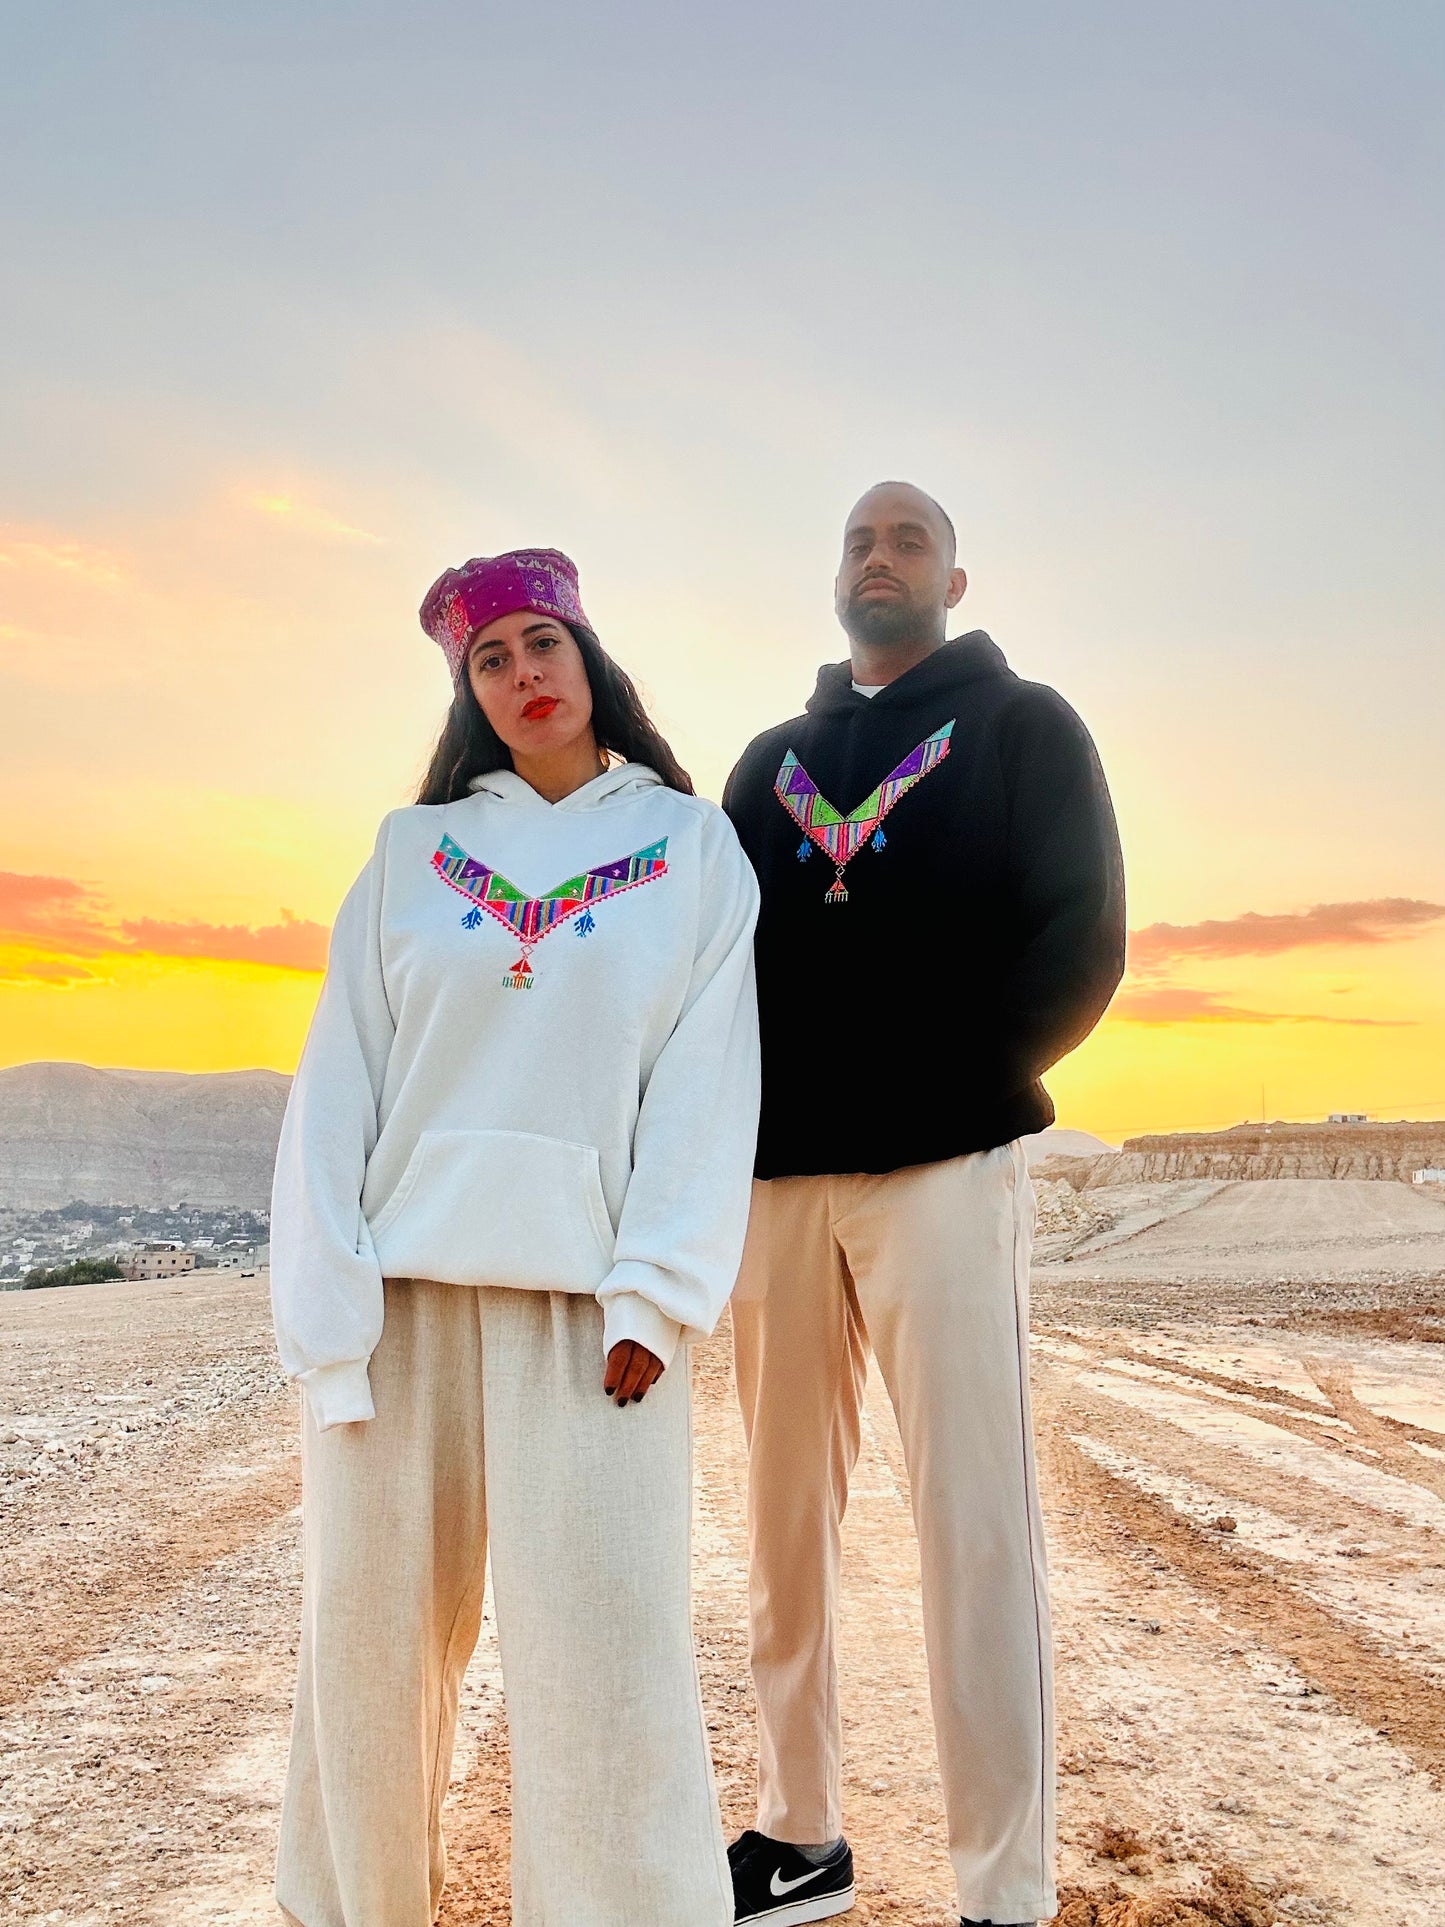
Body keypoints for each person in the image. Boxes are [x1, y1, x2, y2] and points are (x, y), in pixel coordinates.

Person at [269, 548, 761, 1927]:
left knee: (606, 1653)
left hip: (589, 1313)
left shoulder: (689, 847)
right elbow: (338, 1086)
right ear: (468, 691)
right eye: (490, 659)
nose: (523, 674)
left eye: (541, 642)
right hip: (401, 1303)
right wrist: (328, 1323)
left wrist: (655, 1292)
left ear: (587, 655)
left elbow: (706, 1080)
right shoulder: (410, 854)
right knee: (368, 1648)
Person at [721, 484, 1125, 1927]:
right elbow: (711, 967)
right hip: (777, 1185)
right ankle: (799, 1835)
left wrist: (959, 1094)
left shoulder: (1025, 726)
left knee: (973, 1524)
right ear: (833, 574)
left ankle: (1003, 1890)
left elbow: (1081, 939)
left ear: (954, 576)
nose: (878, 557)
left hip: (945, 1172)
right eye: (857, 539)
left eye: (907, 540)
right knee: (781, 1525)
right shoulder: (766, 765)